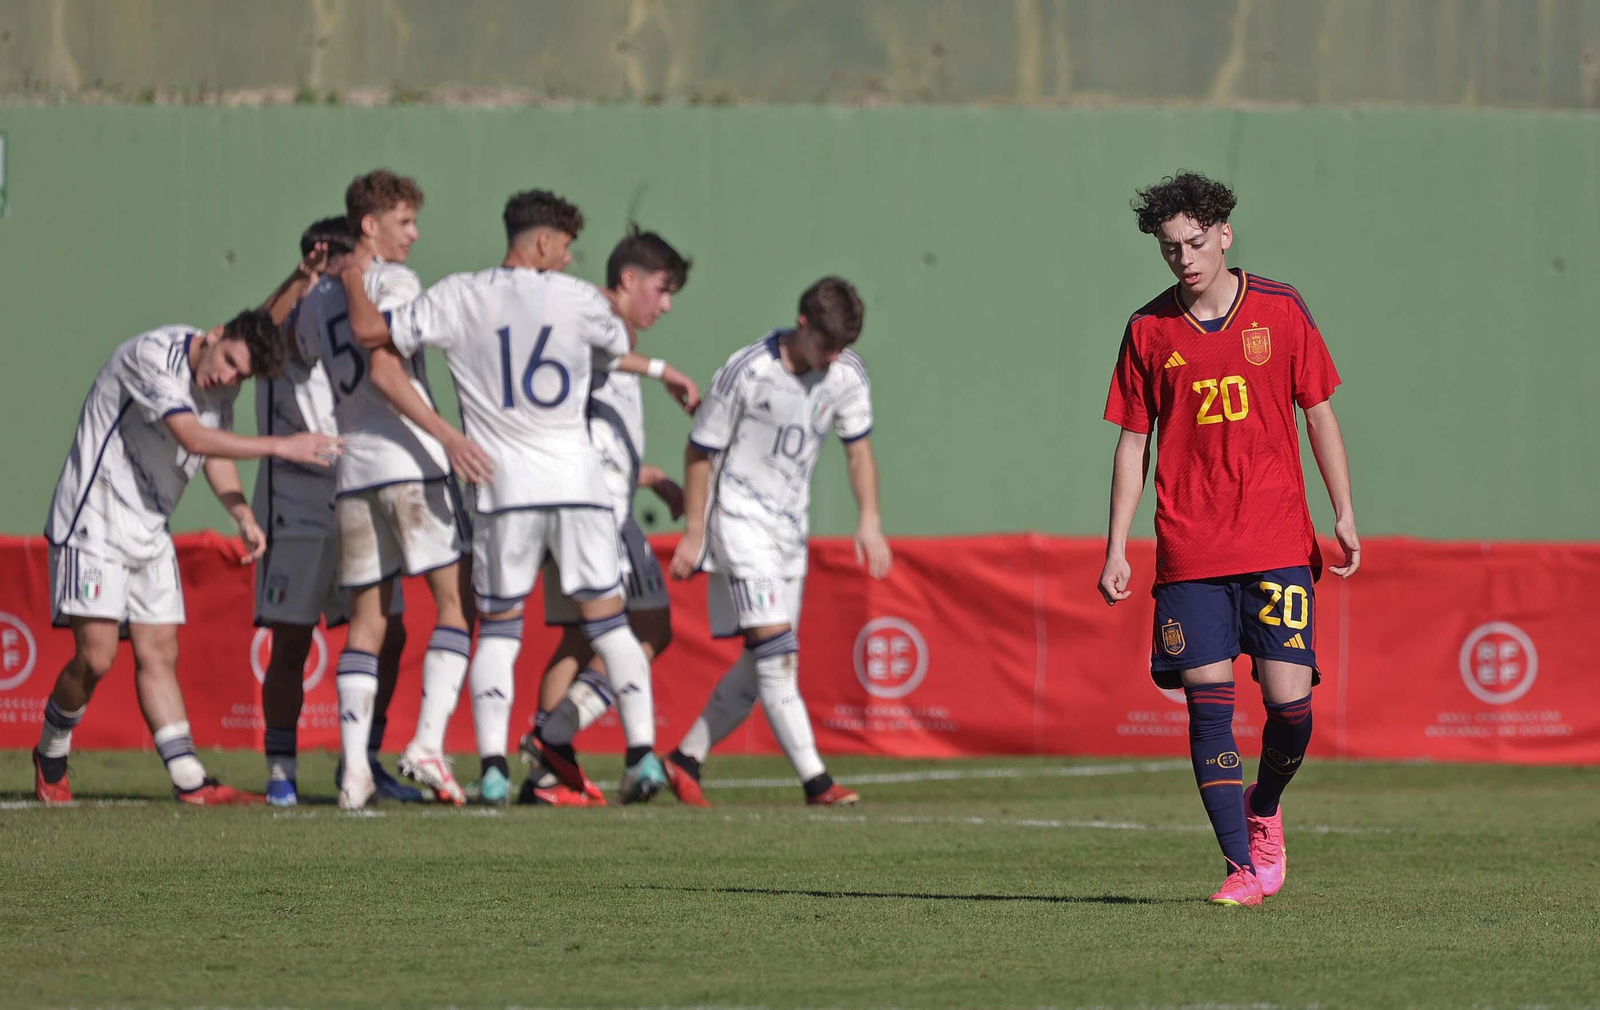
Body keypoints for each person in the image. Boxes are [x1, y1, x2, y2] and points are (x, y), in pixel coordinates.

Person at [336, 189, 702, 806]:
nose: (566, 259)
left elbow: (372, 333)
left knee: (501, 631)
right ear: (540, 243)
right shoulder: (582, 299)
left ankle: (495, 766)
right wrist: (662, 369)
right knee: (611, 623)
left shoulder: (459, 294)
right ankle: (641, 754)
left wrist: (351, 278)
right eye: (563, 248)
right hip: (579, 486)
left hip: (504, 486)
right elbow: (614, 348)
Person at [1098, 171, 1360, 906]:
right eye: (1169, 247)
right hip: (1191, 551)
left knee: (1289, 708)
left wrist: (1342, 511)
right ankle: (1243, 866)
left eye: (1194, 241)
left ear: (1223, 235)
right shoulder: (1148, 330)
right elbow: (1131, 444)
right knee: (1206, 703)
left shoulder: (1279, 308)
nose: (1183, 258)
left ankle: (1266, 806)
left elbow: (1319, 411)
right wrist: (1117, 546)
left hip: (1277, 541)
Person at [35, 309, 339, 805]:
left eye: (240, 376)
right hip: (95, 520)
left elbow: (211, 454)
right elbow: (192, 437)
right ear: (216, 334)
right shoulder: (151, 355)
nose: (227, 378)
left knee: (160, 653)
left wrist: (241, 513)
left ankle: (190, 780)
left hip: (151, 528)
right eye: (229, 363)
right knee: (97, 656)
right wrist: (285, 445)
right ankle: (52, 749)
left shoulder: (219, 387)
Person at [294, 169, 488, 809]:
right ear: (369, 225)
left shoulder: (317, 300)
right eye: (404, 221)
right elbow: (386, 370)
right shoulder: (393, 282)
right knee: (457, 605)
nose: (415, 233)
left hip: (354, 474)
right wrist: (448, 435)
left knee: (367, 626)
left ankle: (353, 775)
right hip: (411, 465)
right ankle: (428, 743)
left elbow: (291, 347)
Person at [663, 276, 892, 807]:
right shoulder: (747, 372)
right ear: (802, 324)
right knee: (777, 654)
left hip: (790, 531)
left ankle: (684, 759)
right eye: (825, 345)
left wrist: (871, 520)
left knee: (762, 657)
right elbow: (701, 453)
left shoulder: (845, 374)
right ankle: (817, 782)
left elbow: (858, 450)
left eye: (842, 349)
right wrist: (695, 533)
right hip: (738, 524)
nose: (833, 358)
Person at [519, 226, 692, 807]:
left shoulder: (604, 327)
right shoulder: (593, 316)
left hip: (581, 499)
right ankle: (593, 747)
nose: (666, 305)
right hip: (593, 513)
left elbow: (592, 425)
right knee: (641, 626)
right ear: (629, 280)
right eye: (662, 290)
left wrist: (650, 477)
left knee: (579, 636)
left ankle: (545, 766)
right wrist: (663, 369)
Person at [251, 215, 420, 806]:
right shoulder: (290, 308)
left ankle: (363, 759)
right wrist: (304, 277)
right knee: (292, 640)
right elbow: (257, 341)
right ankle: (280, 770)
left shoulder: (356, 305)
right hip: (295, 503)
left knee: (388, 631)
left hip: (357, 489)